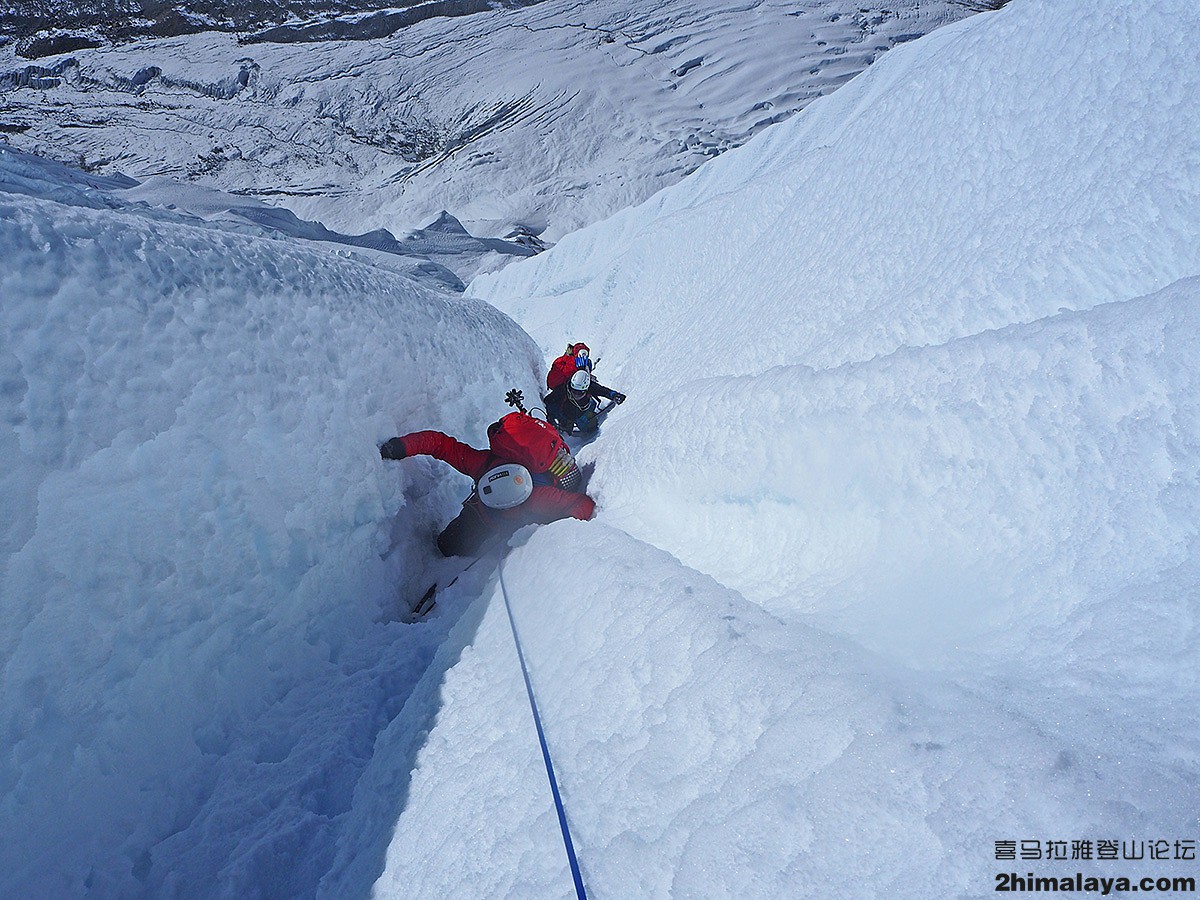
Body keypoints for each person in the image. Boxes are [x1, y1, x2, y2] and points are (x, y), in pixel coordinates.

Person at [380, 406, 594, 557]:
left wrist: (403, 446)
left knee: (447, 547)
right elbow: (582, 505)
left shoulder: (485, 465)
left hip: (481, 519)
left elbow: (441, 445)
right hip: (486, 519)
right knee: (446, 546)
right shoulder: (539, 496)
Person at [545, 367, 626, 435]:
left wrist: (614, 395)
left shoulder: (590, 386)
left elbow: (603, 391)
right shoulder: (562, 390)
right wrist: (551, 419)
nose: (576, 395)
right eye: (574, 392)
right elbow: (548, 402)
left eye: (580, 393)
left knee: (591, 430)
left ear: (586, 389)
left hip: (582, 412)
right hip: (566, 413)